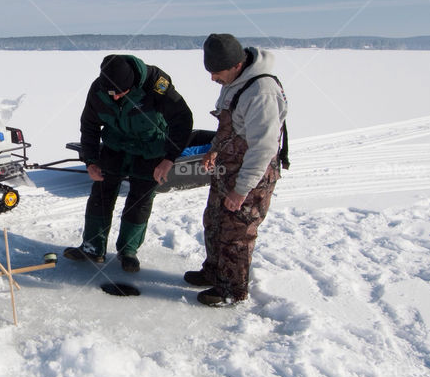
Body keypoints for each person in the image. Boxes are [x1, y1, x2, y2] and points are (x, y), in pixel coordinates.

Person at [185, 34, 289, 306]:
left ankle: (232, 290)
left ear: (236, 65)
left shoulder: (261, 92)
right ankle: (215, 272)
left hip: (251, 174)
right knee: (214, 221)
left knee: (236, 233)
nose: (212, 79)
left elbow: (264, 147)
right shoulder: (233, 82)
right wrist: (214, 150)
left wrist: (241, 189)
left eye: (216, 72)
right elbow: (229, 125)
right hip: (227, 167)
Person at [64, 54, 193, 272]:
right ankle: (93, 248)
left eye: (120, 93)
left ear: (132, 84)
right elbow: (89, 125)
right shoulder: (99, 88)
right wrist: (91, 161)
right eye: (110, 93)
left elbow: (183, 120)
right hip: (116, 145)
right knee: (101, 194)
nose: (114, 98)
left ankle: (128, 251)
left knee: (139, 200)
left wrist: (169, 158)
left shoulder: (157, 85)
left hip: (151, 147)